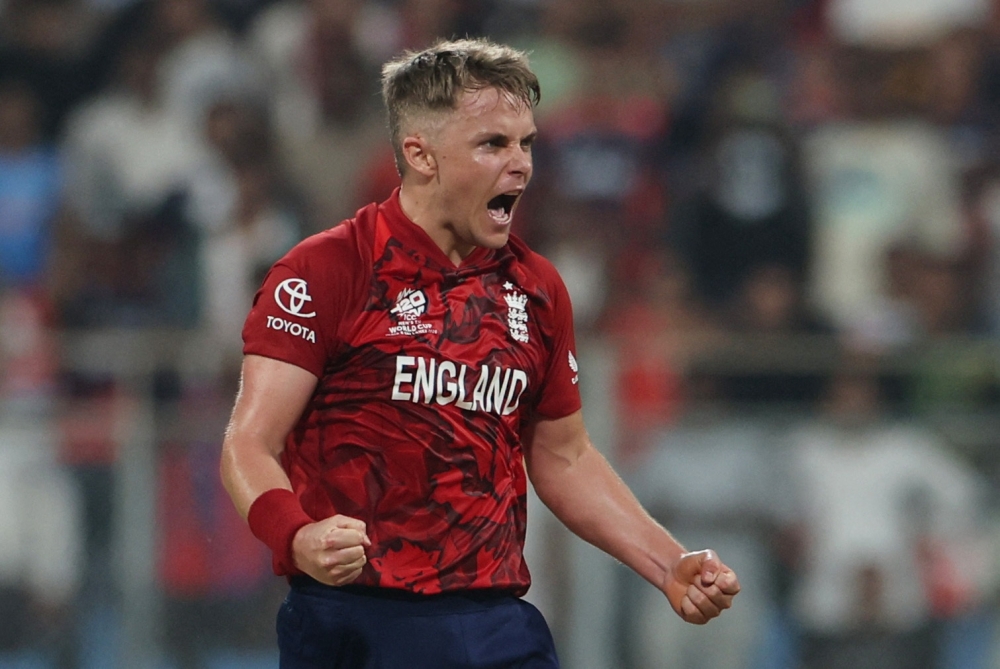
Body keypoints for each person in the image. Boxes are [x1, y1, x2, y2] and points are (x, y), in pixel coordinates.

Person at [219, 37, 741, 668]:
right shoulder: (327, 271)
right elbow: (249, 444)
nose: (520, 165)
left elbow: (563, 456)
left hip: (496, 624)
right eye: (493, 144)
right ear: (421, 155)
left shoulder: (538, 290)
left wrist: (668, 563)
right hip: (355, 619)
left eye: (526, 143)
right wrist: (297, 537)